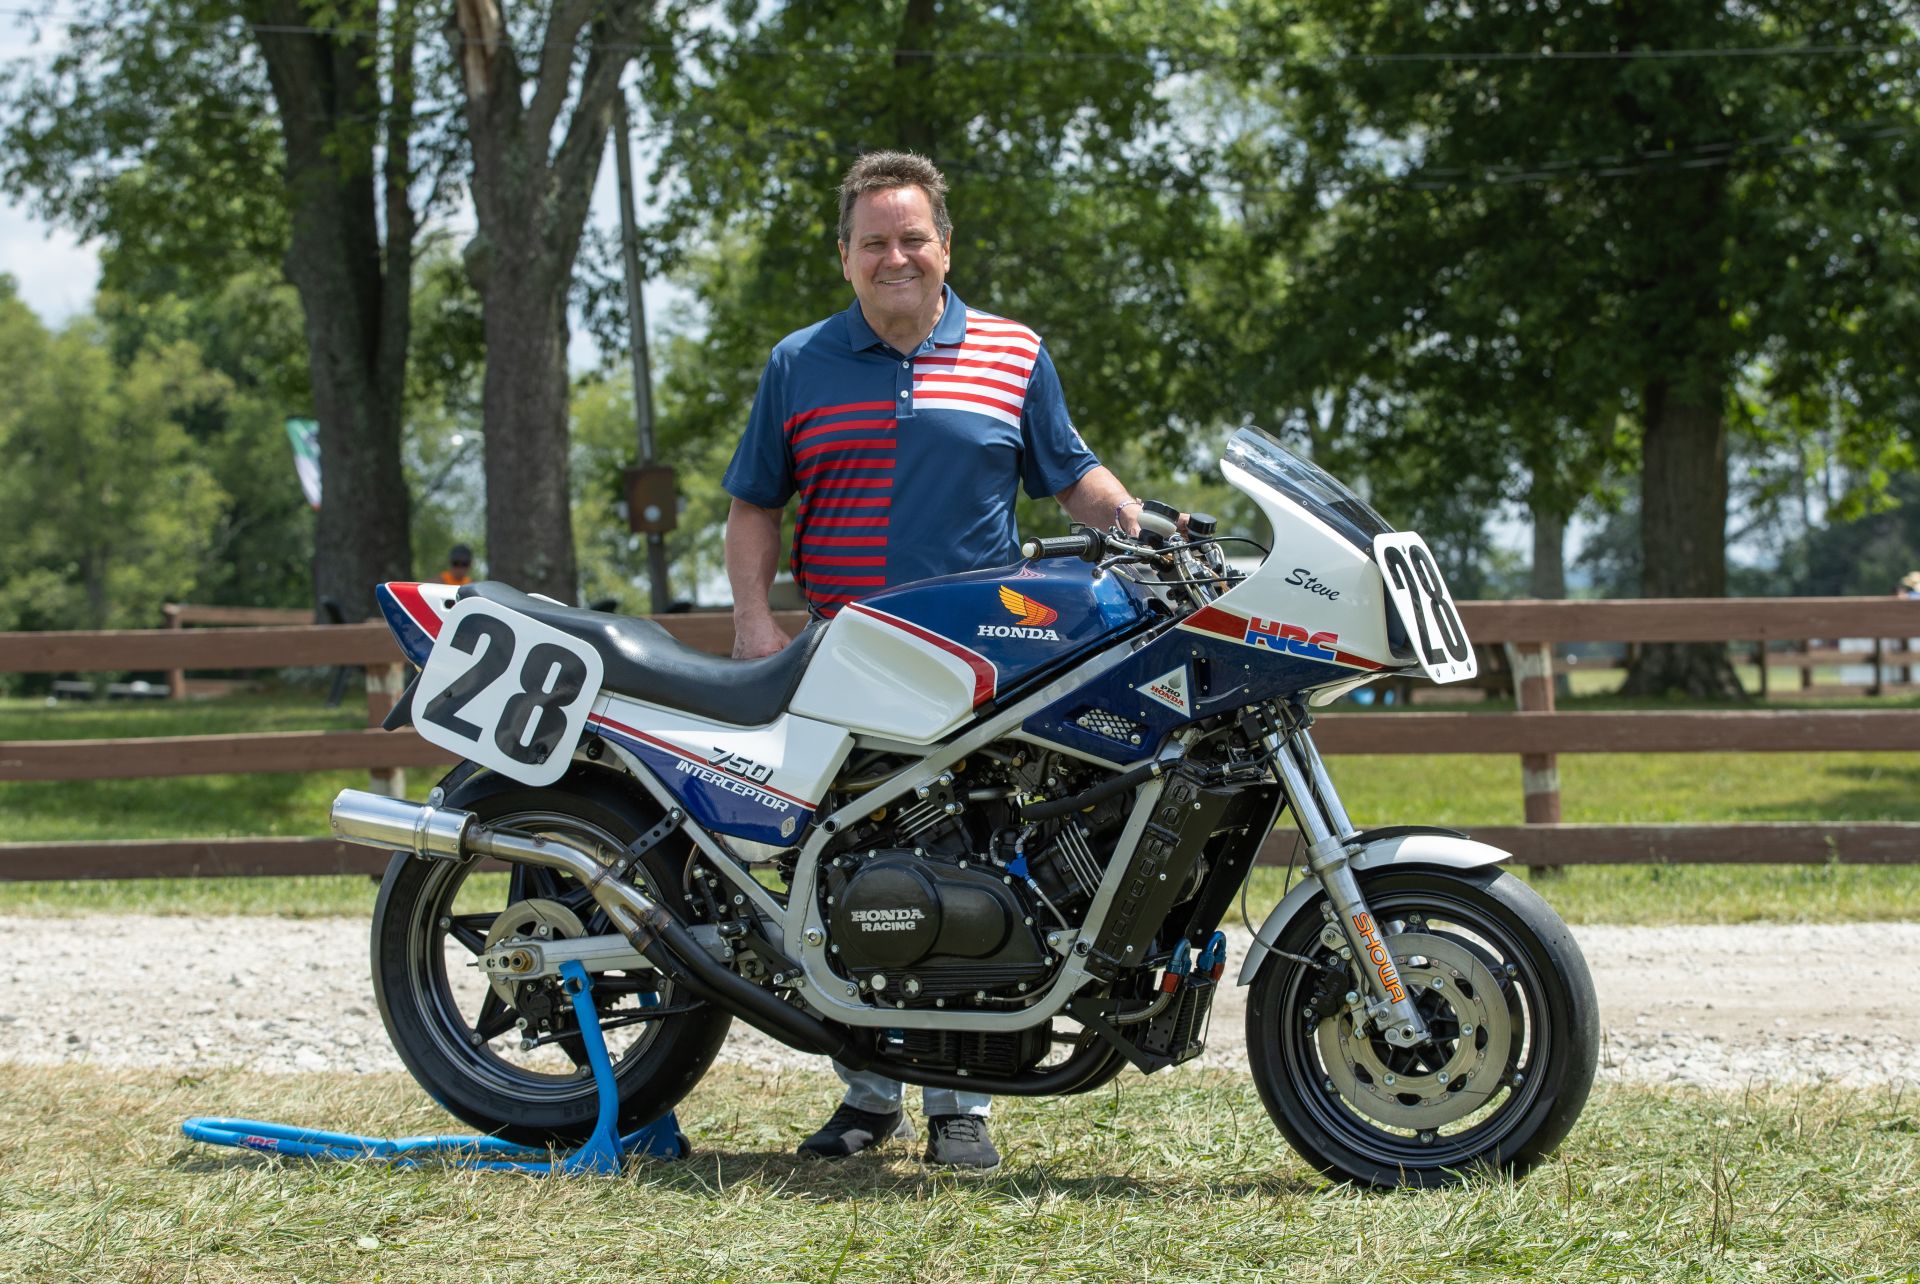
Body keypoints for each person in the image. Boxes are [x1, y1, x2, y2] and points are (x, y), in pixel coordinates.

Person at [721, 150, 1156, 1170]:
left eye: (912, 238)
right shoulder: (798, 364)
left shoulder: (1013, 352)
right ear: (844, 256)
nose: (896, 257)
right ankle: (868, 1095)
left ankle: (962, 1104)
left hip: (985, 669)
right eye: (873, 241)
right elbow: (755, 505)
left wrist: (1142, 528)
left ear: (945, 248)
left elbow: (1072, 476)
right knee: (844, 879)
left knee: (973, 872)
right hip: (842, 668)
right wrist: (752, 622)